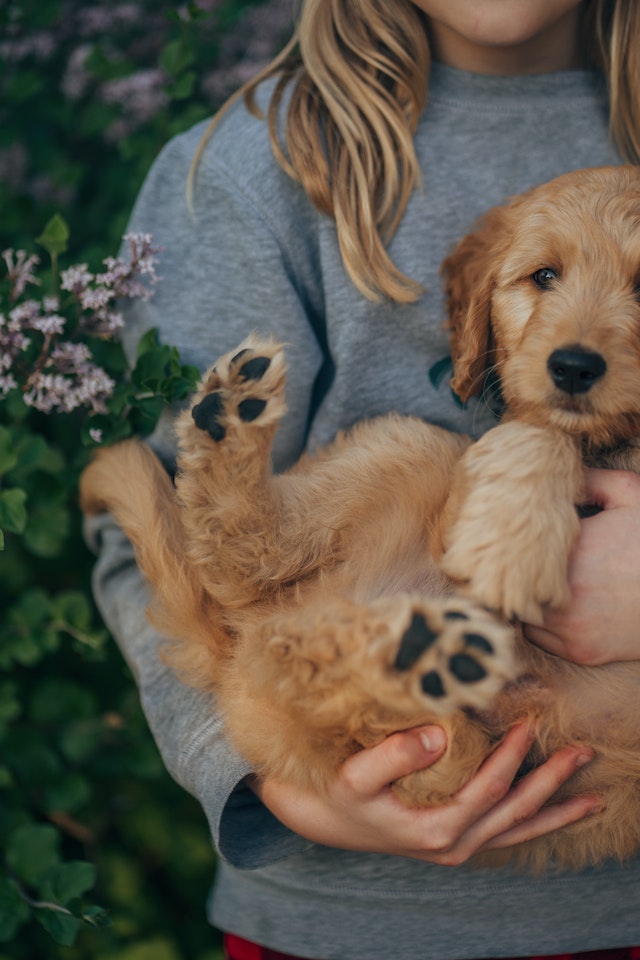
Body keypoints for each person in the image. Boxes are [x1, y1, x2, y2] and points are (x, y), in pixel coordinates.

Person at [85, 1, 640, 957]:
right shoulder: (256, 169)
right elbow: (142, 557)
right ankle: (260, 553)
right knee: (427, 460)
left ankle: (345, 665)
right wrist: (276, 784)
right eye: (541, 279)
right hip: (341, 917)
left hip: (609, 846)